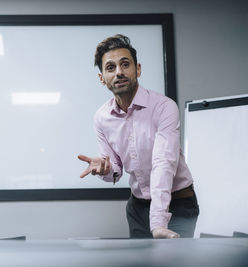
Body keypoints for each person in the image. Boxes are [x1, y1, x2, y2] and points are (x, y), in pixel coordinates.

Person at [78, 34, 199, 239]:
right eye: (110, 68)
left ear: (138, 69)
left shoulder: (164, 107)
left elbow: (163, 163)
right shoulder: (101, 118)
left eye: (125, 64)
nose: (119, 72)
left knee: (175, 261)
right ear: (102, 78)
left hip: (178, 202)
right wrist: (106, 170)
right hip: (138, 206)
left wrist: (158, 223)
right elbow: (116, 169)